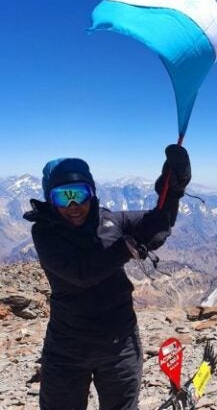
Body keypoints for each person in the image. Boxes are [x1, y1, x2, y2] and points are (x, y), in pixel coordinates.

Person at [23, 145, 191, 410]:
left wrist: (172, 188)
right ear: (49, 199)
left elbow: (159, 223)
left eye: (80, 194)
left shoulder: (112, 221)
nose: (74, 205)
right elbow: (82, 273)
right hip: (67, 346)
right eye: (62, 197)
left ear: (92, 193)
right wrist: (126, 248)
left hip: (120, 342)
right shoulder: (45, 233)